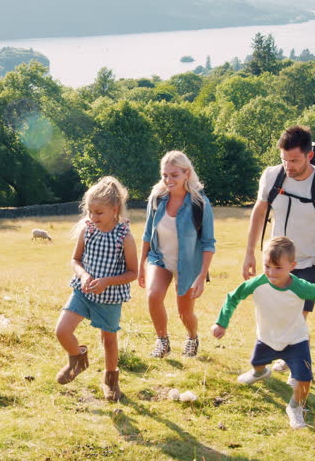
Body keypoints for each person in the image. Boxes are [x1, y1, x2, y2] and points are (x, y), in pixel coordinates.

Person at [242, 125, 315, 375]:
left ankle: (298, 371)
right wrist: (249, 252)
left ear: (309, 156)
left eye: (294, 160)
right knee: (275, 312)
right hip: (278, 259)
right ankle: (280, 359)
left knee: (297, 317)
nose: (288, 166)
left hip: (313, 260)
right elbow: (259, 212)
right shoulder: (272, 176)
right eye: (284, 159)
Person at [212, 236, 315, 429]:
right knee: (257, 364)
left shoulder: (300, 287)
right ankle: (260, 373)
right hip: (267, 338)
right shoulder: (257, 283)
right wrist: (222, 323)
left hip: (296, 340)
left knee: (304, 379)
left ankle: (294, 407)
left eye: (278, 268)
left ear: (292, 266)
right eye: (267, 266)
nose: (271, 272)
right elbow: (233, 297)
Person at [54, 176, 138, 402]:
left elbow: (133, 272)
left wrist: (106, 282)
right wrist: (83, 275)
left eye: (98, 212)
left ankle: (111, 380)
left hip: (109, 298)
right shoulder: (87, 229)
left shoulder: (124, 237)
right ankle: (77, 359)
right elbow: (75, 260)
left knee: (109, 341)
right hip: (82, 291)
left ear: (115, 209)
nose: (93, 217)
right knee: (62, 330)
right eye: (90, 211)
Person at [139, 151, 215, 358]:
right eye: (165, 175)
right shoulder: (157, 199)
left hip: (189, 265)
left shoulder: (200, 204)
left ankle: (192, 338)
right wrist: (141, 267)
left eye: (174, 175)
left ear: (186, 173)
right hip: (159, 259)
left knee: (185, 313)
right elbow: (147, 234)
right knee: (153, 296)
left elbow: (208, 243)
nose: (168, 180)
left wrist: (201, 275)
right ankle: (162, 341)